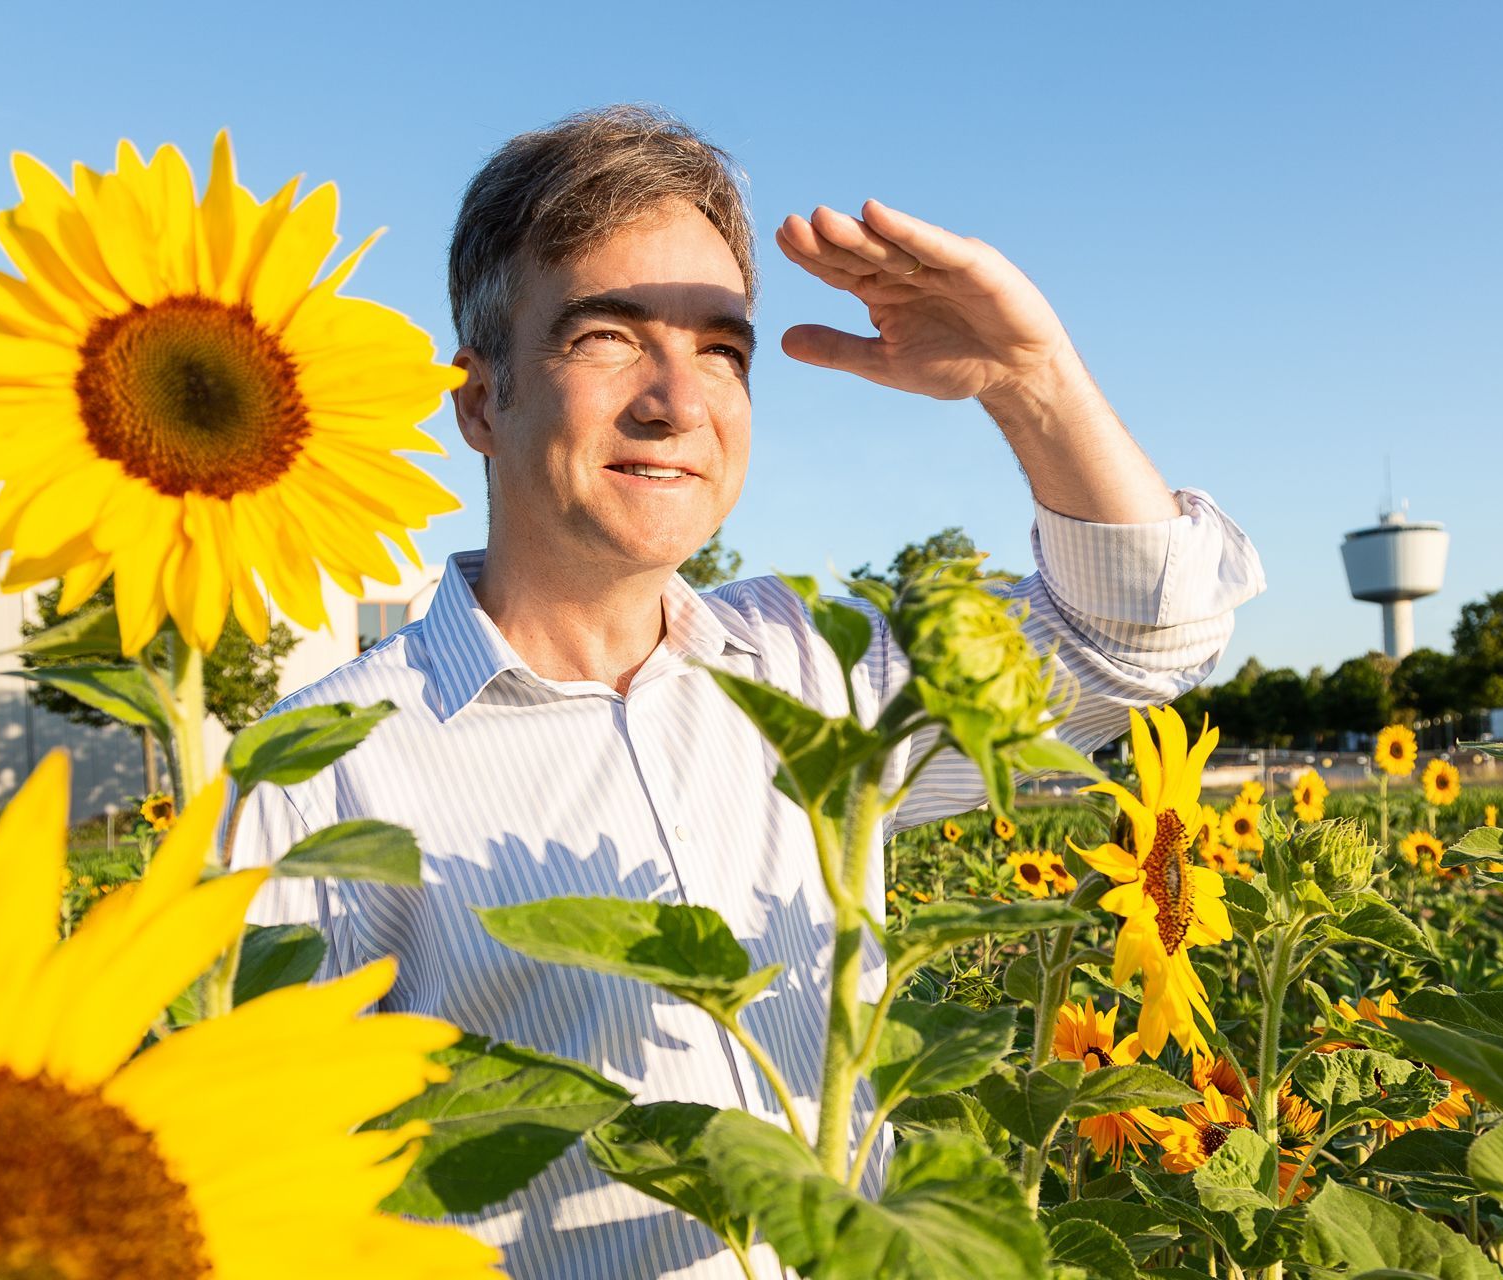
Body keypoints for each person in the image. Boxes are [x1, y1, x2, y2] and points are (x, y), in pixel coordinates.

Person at [232, 104, 1264, 1279]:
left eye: (722, 348)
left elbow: (1141, 635)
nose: (679, 400)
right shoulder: (318, 772)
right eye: (606, 336)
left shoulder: (811, 667)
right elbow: (260, 1186)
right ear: (479, 400)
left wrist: (1030, 381)